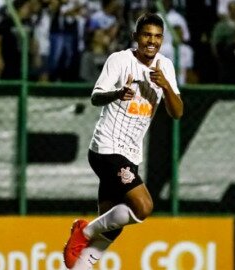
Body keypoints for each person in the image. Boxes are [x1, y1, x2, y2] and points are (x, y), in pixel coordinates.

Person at [62, 12, 183, 270]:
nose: (152, 41)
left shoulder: (165, 67)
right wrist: (119, 93)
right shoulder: (120, 60)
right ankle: (82, 232)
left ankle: (79, 266)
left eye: (157, 37)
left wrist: (167, 87)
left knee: (111, 225)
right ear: (136, 37)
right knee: (143, 207)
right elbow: (95, 97)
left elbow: (177, 112)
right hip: (106, 147)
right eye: (147, 35)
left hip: (131, 154)